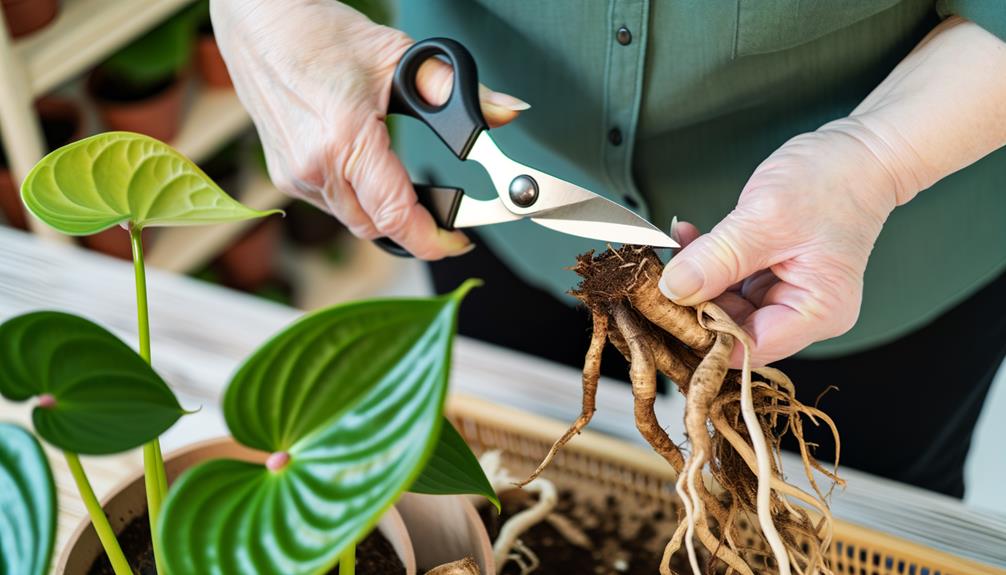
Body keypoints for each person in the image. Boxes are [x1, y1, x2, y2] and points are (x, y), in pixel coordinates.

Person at [211, 0, 1006, 498]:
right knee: (522, 477)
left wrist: (873, 155)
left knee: (860, 511)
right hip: (500, 228)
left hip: (885, 250)